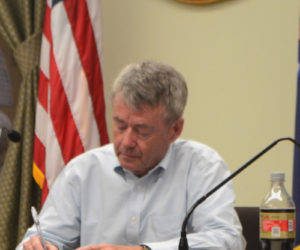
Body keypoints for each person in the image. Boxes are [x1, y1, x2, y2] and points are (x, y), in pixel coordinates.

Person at [17, 61, 246, 250]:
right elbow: (43, 237)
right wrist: (39, 245)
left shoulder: (202, 167)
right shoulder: (84, 171)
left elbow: (227, 241)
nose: (126, 142)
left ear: (175, 129)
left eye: (141, 130)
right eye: (119, 125)